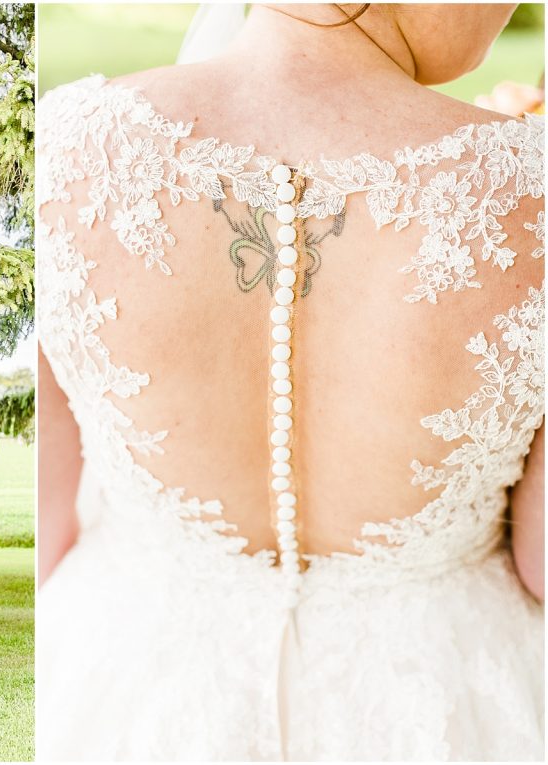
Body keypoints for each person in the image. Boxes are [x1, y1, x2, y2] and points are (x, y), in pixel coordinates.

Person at [37, 3, 543, 759]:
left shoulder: (64, 146)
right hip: (438, 706)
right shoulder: (531, 192)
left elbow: (45, 534)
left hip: (132, 693)